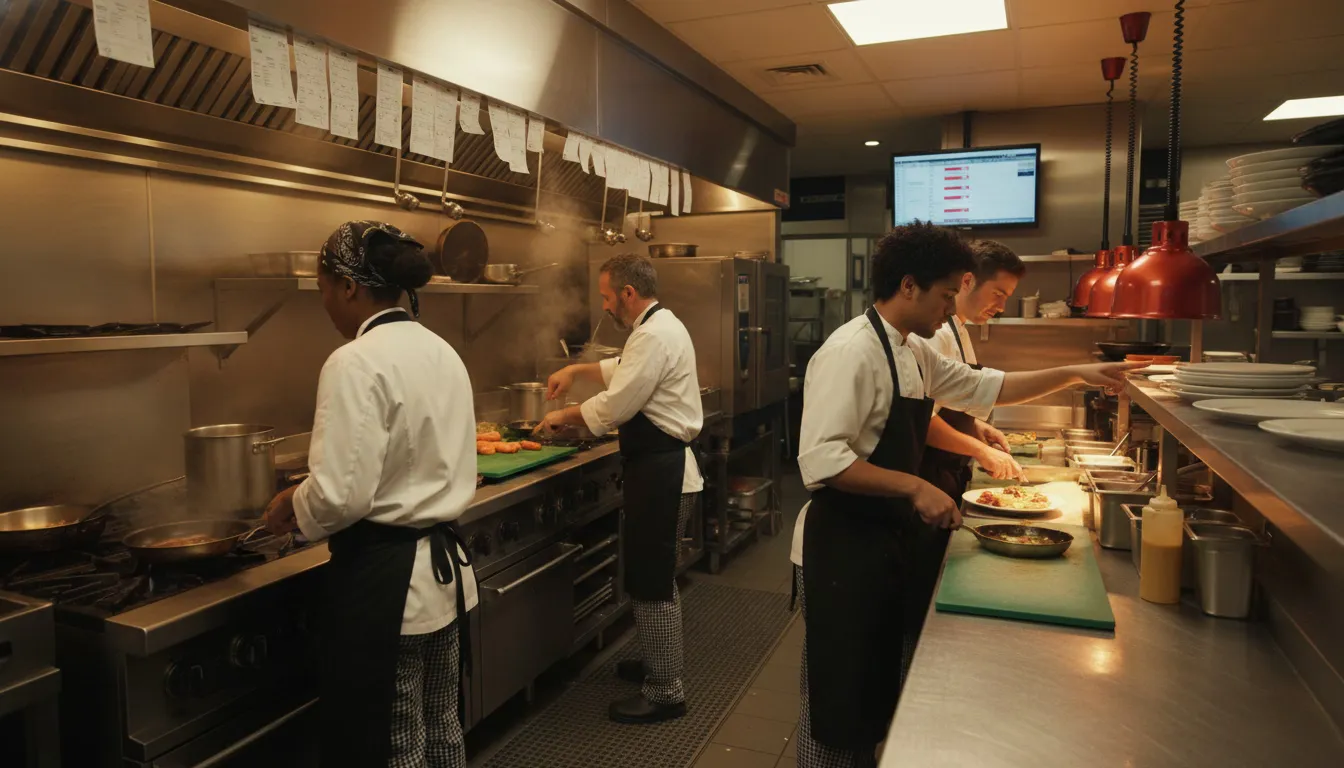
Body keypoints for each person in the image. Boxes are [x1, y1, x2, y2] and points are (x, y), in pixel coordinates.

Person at [790, 221, 1140, 768]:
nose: (952, 307)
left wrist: (1076, 374)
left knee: (871, 685)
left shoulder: (911, 349)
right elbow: (822, 460)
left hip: (881, 539)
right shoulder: (850, 352)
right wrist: (914, 485)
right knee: (837, 697)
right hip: (842, 546)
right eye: (947, 293)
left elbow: (985, 386)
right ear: (909, 286)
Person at [263, 221, 478, 768]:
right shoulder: (441, 350)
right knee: (443, 726)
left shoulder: (354, 362)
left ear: (350, 287)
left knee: (394, 743)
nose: (326, 305)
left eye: (324, 290)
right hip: (443, 580)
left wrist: (296, 505)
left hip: (388, 590)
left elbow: (340, 498)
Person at [537, 253, 703, 724]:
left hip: (664, 474)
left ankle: (666, 690)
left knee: (652, 583)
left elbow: (617, 404)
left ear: (629, 293)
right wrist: (575, 371)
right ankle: (658, 664)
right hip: (660, 470)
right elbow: (621, 368)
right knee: (653, 577)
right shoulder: (659, 326)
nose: (606, 306)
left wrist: (561, 416)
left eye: (608, 297)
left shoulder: (652, 334)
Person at [921, 238, 1029, 496]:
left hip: (949, 467)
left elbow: (947, 405)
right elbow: (923, 418)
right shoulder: (937, 334)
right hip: (929, 473)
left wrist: (978, 428)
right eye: (998, 294)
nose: (1002, 307)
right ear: (967, 282)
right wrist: (980, 450)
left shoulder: (960, 330)